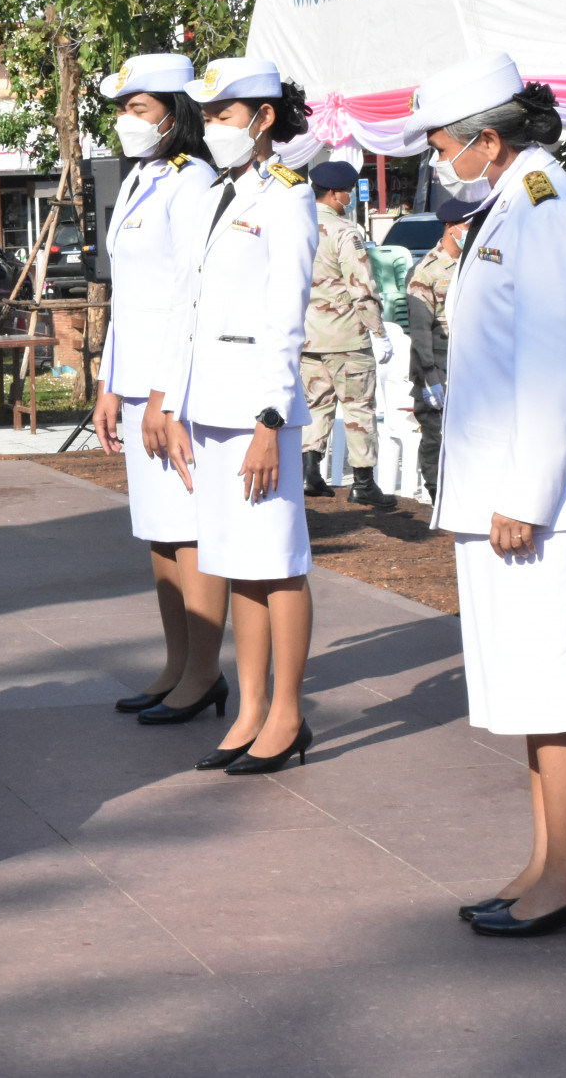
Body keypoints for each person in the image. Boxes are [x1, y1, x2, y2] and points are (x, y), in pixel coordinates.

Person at [405, 51, 566, 937]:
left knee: (559, 685)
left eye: (439, 149)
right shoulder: (511, 203)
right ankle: (547, 861)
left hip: (546, 499)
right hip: (508, 489)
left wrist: (526, 494)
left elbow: (560, 365)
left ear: (485, 141)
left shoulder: (543, 212)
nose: (435, 165)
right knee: (532, 686)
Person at [140, 56, 319, 775]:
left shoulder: (287, 196)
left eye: (220, 116)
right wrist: (172, 399)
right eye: (206, 117)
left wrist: (270, 419)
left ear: (262, 117)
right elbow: (188, 309)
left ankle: (286, 713)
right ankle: (247, 708)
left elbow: (285, 317)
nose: (209, 128)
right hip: (209, 407)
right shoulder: (223, 193)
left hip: (255, 412)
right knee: (238, 564)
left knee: (277, 565)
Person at [87, 54, 231, 724]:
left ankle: (203, 672)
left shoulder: (193, 180)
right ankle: (176, 664)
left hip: (171, 390)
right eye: (120, 108)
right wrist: (110, 383)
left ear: (175, 115)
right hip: (137, 381)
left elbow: (189, 298)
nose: (124, 121)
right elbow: (128, 296)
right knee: (159, 534)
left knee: (188, 533)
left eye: (137, 109)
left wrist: (161, 393)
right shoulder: (145, 177)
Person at [299, 160, 395, 507]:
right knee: (358, 408)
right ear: (337, 194)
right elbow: (361, 286)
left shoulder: (298, 225)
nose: (349, 198)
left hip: (309, 336)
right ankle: (364, 483)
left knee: (315, 405)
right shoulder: (345, 231)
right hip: (346, 336)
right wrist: (379, 331)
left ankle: (310, 474)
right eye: (348, 193)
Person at [406, 199, 466, 502]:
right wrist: (428, 374)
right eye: (467, 226)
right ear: (451, 227)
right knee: (436, 436)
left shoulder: (474, 262)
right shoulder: (427, 270)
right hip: (437, 366)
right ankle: (436, 491)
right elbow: (419, 328)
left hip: (468, 365)